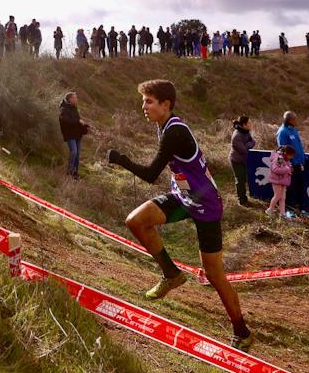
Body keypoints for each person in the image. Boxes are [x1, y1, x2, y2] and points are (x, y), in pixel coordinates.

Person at [105, 79, 252, 348]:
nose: (143, 106)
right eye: (143, 101)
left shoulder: (174, 132)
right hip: (184, 197)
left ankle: (242, 332)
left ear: (166, 105)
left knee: (214, 275)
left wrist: (121, 160)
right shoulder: (163, 126)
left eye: (149, 102)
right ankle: (171, 274)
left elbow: (151, 174)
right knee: (136, 221)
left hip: (206, 204)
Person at [275, 111, 309, 218]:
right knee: (290, 189)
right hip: (291, 166)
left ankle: (301, 208)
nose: (297, 120)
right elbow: (283, 150)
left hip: (300, 164)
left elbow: (299, 146)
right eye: (295, 119)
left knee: (300, 187)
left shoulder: (294, 130)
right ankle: (289, 210)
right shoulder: (282, 132)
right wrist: (289, 164)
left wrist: (304, 158)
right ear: (290, 120)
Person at [59, 91, 88, 179]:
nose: (77, 99)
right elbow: (66, 121)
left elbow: (77, 119)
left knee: (77, 154)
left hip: (77, 134)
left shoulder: (74, 108)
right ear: (70, 99)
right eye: (75, 98)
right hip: (70, 135)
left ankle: (75, 172)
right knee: (74, 152)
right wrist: (78, 121)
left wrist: (83, 124)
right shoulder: (63, 109)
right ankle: (70, 171)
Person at [228, 116, 256, 207]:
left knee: (245, 178)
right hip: (236, 161)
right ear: (244, 125)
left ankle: (246, 197)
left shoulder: (246, 131)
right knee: (240, 180)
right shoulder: (237, 135)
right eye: (249, 123)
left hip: (244, 159)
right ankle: (242, 201)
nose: (251, 124)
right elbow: (244, 150)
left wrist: (248, 144)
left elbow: (253, 141)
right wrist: (249, 144)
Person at [265, 145, 295, 218]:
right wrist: (287, 169)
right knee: (277, 195)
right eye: (291, 155)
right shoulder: (279, 159)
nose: (292, 157)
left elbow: (287, 168)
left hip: (283, 181)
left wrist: (290, 170)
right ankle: (270, 210)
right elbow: (275, 169)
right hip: (277, 181)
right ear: (286, 153)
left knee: (283, 198)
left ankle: (282, 213)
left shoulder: (286, 160)